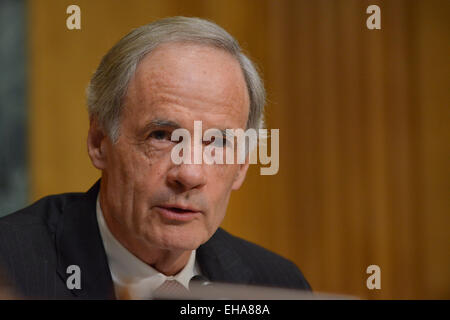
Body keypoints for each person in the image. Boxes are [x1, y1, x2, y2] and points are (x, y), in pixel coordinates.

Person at [0, 16, 310, 299]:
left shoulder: (277, 285)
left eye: (217, 142)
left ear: (242, 164)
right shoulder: (10, 268)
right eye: (161, 136)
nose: (189, 174)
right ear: (99, 142)